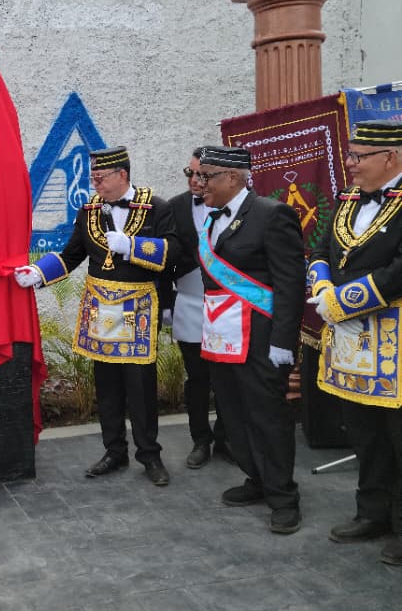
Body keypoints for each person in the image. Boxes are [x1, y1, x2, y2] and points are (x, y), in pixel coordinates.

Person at [15, 146, 176, 486]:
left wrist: (131, 247)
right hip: (101, 308)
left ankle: (150, 455)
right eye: (93, 178)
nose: (96, 184)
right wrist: (39, 274)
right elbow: (71, 254)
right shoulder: (88, 211)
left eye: (101, 178)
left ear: (123, 175)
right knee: (107, 385)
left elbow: (173, 252)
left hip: (138, 308)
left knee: (140, 387)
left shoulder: (156, 207)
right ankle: (113, 450)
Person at [196, 145, 306, 535]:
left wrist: (283, 341)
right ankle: (256, 478)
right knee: (233, 413)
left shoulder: (272, 214)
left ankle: (283, 496)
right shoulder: (212, 219)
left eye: (206, 175)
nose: (199, 182)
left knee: (267, 417)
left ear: (233, 178)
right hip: (222, 335)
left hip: (260, 338)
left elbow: (290, 283)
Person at [308, 121, 402, 563]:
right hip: (349, 343)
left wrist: (341, 301)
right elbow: (321, 250)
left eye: (357, 156)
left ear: (391, 158)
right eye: (348, 155)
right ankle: (373, 513)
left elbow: (397, 271)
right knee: (364, 434)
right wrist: (322, 287)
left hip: (395, 343)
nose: (349, 164)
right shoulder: (347, 201)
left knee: (398, 437)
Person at [168, 149, 230, 468]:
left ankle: (227, 437)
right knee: (197, 377)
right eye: (189, 173)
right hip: (190, 301)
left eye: (201, 174)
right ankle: (200, 440)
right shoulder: (174, 207)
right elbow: (163, 260)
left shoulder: (235, 207)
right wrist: (166, 305)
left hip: (229, 305)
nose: (194, 180)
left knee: (227, 375)